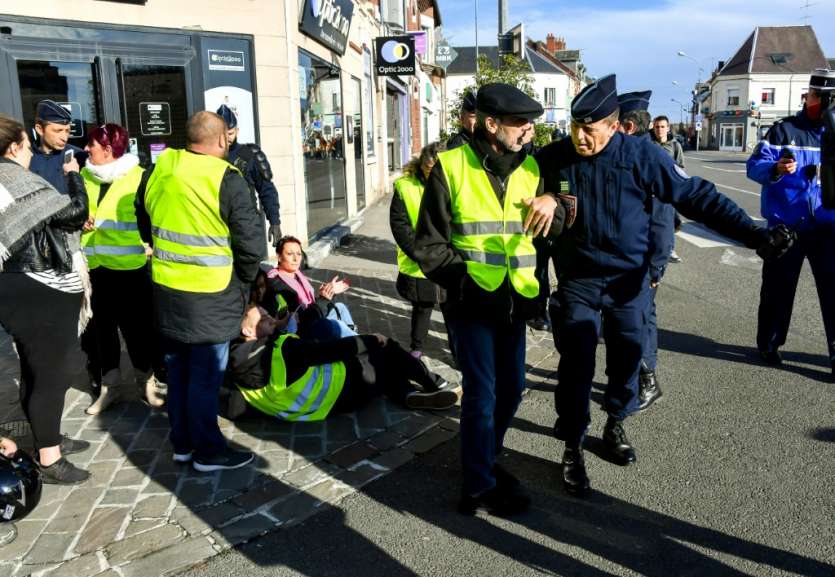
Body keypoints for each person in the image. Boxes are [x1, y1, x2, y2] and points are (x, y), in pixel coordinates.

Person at [535, 74, 793, 497]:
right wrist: (535, 287)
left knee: (626, 362)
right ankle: (572, 445)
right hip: (578, 281)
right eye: (575, 127)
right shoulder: (552, 159)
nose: (580, 137)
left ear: (615, 125)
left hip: (627, 283)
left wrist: (754, 235)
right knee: (576, 366)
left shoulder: (642, 156)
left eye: (591, 129)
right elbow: (525, 215)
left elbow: (697, 197)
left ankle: (615, 422)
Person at [415, 83, 566, 516]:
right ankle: (478, 486)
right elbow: (429, 244)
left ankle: (486, 453)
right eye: (520, 123)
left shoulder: (532, 168)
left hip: (515, 300)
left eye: (531, 124)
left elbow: (554, 230)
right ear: (490, 123)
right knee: (482, 392)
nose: (528, 131)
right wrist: (460, 283)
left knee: (513, 387)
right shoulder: (451, 165)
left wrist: (553, 202)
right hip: (470, 301)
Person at [135, 111, 265, 472]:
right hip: (212, 295)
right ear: (223, 140)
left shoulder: (160, 168)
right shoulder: (227, 178)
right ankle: (209, 451)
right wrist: (242, 287)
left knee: (178, 374)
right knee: (206, 378)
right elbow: (252, 247)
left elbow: (143, 222)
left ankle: (183, 445)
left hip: (167, 291)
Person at [0, 114, 91, 484]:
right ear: (14, 147)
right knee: (54, 372)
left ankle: (46, 437)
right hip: (40, 288)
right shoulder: (14, 178)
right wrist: (74, 176)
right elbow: (75, 213)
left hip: (14, 286)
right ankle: (49, 459)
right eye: (23, 146)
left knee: (34, 368)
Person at [746, 69, 835, 378]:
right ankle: (769, 344)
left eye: (826, 100)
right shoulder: (783, 130)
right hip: (788, 227)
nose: (819, 104)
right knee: (777, 291)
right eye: (816, 97)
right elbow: (754, 166)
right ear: (808, 97)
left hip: (829, 229)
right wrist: (777, 168)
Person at [226, 305, 458, 421]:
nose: (271, 319)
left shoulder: (233, 364)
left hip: (316, 409)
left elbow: (235, 407)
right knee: (386, 349)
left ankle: (407, 394)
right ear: (247, 329)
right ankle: (435, 382)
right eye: (264, 319)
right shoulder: (279, 348)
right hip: (344, 390)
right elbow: (331, 351)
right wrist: (371, 339)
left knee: (382, 373)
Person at [79, 123, 164, 415]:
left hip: (130, 269)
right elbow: (78, 210)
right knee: (102, 332)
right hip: (94, 268)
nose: (86, 148)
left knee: (137, 330)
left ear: (107, 149)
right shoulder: (84, 175)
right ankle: (110, 387)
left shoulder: (139, 177)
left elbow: (150, 219)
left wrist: (152, 245)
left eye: (92, 144)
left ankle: (146, 382)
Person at [617, 91, 667, 412]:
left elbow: (662, 222)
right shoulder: (631, 156)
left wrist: (656, 267)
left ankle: (647, 379)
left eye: (616, 125)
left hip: (643, 260)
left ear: (629, 127)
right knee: (641, 317)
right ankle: (641, 375)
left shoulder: (651, 160)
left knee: (643, 319)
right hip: (630, 259)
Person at [390, 141, 451, 358]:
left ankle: (458, 352)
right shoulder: (405, 186)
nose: (432, 173)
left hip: (449, 259)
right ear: (421, 164)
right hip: (420, 261)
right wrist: (417, 252)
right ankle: (417, 349)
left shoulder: (456, 183)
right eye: (428, 168)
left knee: (451, 310)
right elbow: (399, 224)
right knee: (423, 306)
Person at [259, 235, 357, 340]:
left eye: (299, 254)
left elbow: (310, 304)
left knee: (340, 307)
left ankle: (352, 338)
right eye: (290, 254)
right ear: (279, 256)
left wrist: (329, 292)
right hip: (300, 332)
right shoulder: (277, 284)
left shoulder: (297, 275)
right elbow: (301, 319)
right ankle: (361, 343)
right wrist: (323, 299)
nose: (296, 258)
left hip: (312, 318)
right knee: (337, 325)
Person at [216, 105, 282, 249]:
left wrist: (275, 221)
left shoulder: (249, 155)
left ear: (237, 131)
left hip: (246, 225)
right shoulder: (208, 157)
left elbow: (266, 190)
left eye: (230, 133)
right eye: (222, 133)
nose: (226, 137)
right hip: (216, 226)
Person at [28, 100, 88, 194]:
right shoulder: (26, 157)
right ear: (40, 129)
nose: (64, 138)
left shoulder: (79, 156)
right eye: (58, 131)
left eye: (67, 131)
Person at [652, 115, 684, 263]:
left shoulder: (675, 145)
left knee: (669, 219)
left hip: (668, 188)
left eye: (662, 126)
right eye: (657, 126)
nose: (659, 129)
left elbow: (680, 168)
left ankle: (670, 249)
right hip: (651, 188)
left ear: (668, 128)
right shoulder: (648, 143)